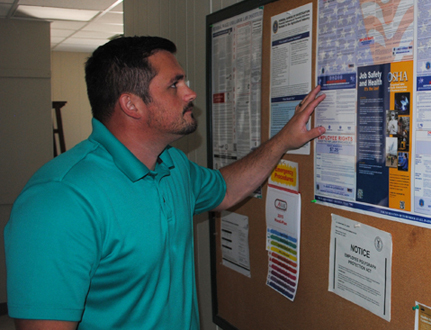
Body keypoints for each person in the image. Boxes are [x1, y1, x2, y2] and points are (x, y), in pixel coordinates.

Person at [4, 36, 326, 330]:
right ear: (132, 105)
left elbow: (226, 190)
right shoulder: (58, 201)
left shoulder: (172, 164)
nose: (190, 93)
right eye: (174, 85)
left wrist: (284, 140)